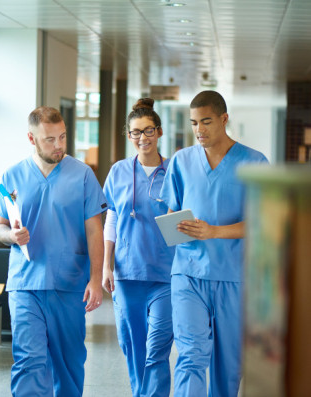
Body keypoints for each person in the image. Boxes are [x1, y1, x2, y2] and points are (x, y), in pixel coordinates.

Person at [160, 90, 269, 396]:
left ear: (224, 119)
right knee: (191, 355)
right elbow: (173, 212)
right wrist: (172, 228)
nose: (199, 130)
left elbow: (261, 223)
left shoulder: (254, 162)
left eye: (206, 121)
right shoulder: (182, 161)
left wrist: (213, 232)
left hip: (233, 277)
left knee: (228, 367)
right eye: (194, 123)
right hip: (188, 274)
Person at [0, 106, 107, 397]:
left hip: (68, 282)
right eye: (50, 139)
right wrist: (12, 235)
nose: (58, 145)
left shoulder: (82, 175)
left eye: (63, 137)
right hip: (25, 282)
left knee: (68, 363)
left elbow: (95, 230)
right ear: (32, 139)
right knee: (29, 360)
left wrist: (96, 280)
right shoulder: (12, 175)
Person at [102, 98, 174, 397]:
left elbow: (183, 217)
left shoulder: (174, 171)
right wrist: (106, 265)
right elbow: (112, 218)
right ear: (128, 135)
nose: (142, 138)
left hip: (166, 273)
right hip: (128, 272)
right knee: (132, 344)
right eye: (135, 132)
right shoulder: (118, 171)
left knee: (157, 345)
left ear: (158, 132)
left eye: (148, 131)